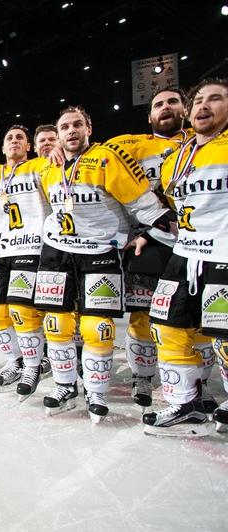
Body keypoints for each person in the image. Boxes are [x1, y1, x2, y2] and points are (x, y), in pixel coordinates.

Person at [36, 106, 177, 422]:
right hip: (56, 252)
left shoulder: (107, 157)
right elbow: (45, 211)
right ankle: (64, 386)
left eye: (76, 125)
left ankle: (96, 393)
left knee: (96, 328)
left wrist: (158, 226)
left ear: (89, 128)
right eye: (64, 127)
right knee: (56, 325)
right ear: (57, 135)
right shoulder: (48, 168)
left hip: (99, 252)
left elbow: (140, 201)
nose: (70, 131)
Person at [107, 88, 217, 411]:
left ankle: (200, 382)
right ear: (150, 115)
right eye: (158, 104)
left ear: (184, 108)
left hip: (203, 244)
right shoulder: (131, 145)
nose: (165, 107)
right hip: (152, 242)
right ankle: (142, 375)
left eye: (172, 102)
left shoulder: (209, 142)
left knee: (201, 318)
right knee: (145, 316)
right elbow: (90, 160)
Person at [144, 79, 228, 436]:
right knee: (167, 325)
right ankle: (186, 401)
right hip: (185, 255)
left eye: (216, 99)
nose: (204, 106)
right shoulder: (174, 160)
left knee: (224, 335)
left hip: (224, 254)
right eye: (199, 101)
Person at [0, 126, 52, 397]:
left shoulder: (39, 166)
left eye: (20, 137)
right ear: (2, 148)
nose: (14, 141)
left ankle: (33, 365)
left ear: (29, 146)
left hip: (31, 247)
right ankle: (15, 360)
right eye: (9, 138)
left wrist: (54, 150)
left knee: (22, 311)